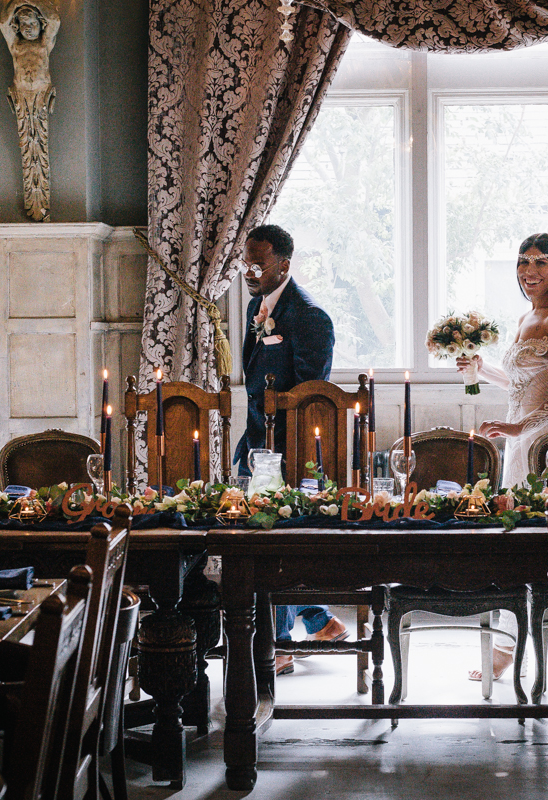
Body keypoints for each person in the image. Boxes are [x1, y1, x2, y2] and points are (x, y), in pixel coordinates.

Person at [457, 232, 548, 680]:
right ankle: (514, 641)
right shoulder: (526, 317)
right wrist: (482, 372)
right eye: (523, 262)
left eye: (540, 263)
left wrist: (522, 428)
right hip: (520, 440)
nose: (530, 272)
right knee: (522, 541)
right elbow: (527, 382)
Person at [234, 224, 347, 675]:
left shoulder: (311, 317)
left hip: (293, 448)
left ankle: (279, 644)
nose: (249, 269)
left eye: (258, 260)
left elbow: (311, 396)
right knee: (258, 535)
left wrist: (280, 452)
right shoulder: (253, 308)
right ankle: (318, 620)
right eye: (246, 260)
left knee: (273, 537)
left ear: (283, 263)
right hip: (256, 436)